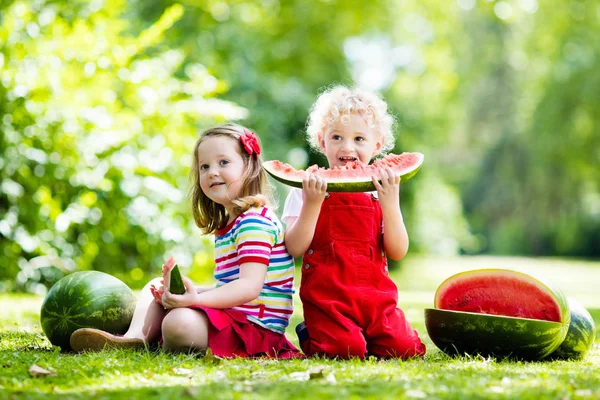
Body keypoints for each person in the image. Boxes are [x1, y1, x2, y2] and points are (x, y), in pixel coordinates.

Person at [70, 124, 300, 358]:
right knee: (155, 287)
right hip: (234, 319)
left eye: (223, 162)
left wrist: (195, 299)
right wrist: (185, 293)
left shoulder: (254, 222)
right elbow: (226, 289)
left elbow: (248, 287)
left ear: (249, 167)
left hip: (253, 332)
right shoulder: (234, 222)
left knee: (178, 322)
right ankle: (134, 339)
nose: (212, 171)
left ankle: (162, 337)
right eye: (204, 166)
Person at [282, 85, 426, 359]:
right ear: (323, 142)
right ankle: (313, 332)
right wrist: (312, 204)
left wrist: (390, 204)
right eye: (337, 137)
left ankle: (369, 334)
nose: (347, 147)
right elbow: (294, 248)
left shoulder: (382, 189)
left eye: (359, 138)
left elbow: (397, 251)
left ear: (378, 144)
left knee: (404, 350)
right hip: (328, 301)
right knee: (345, 351)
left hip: (377, 300)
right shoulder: (305, 188)